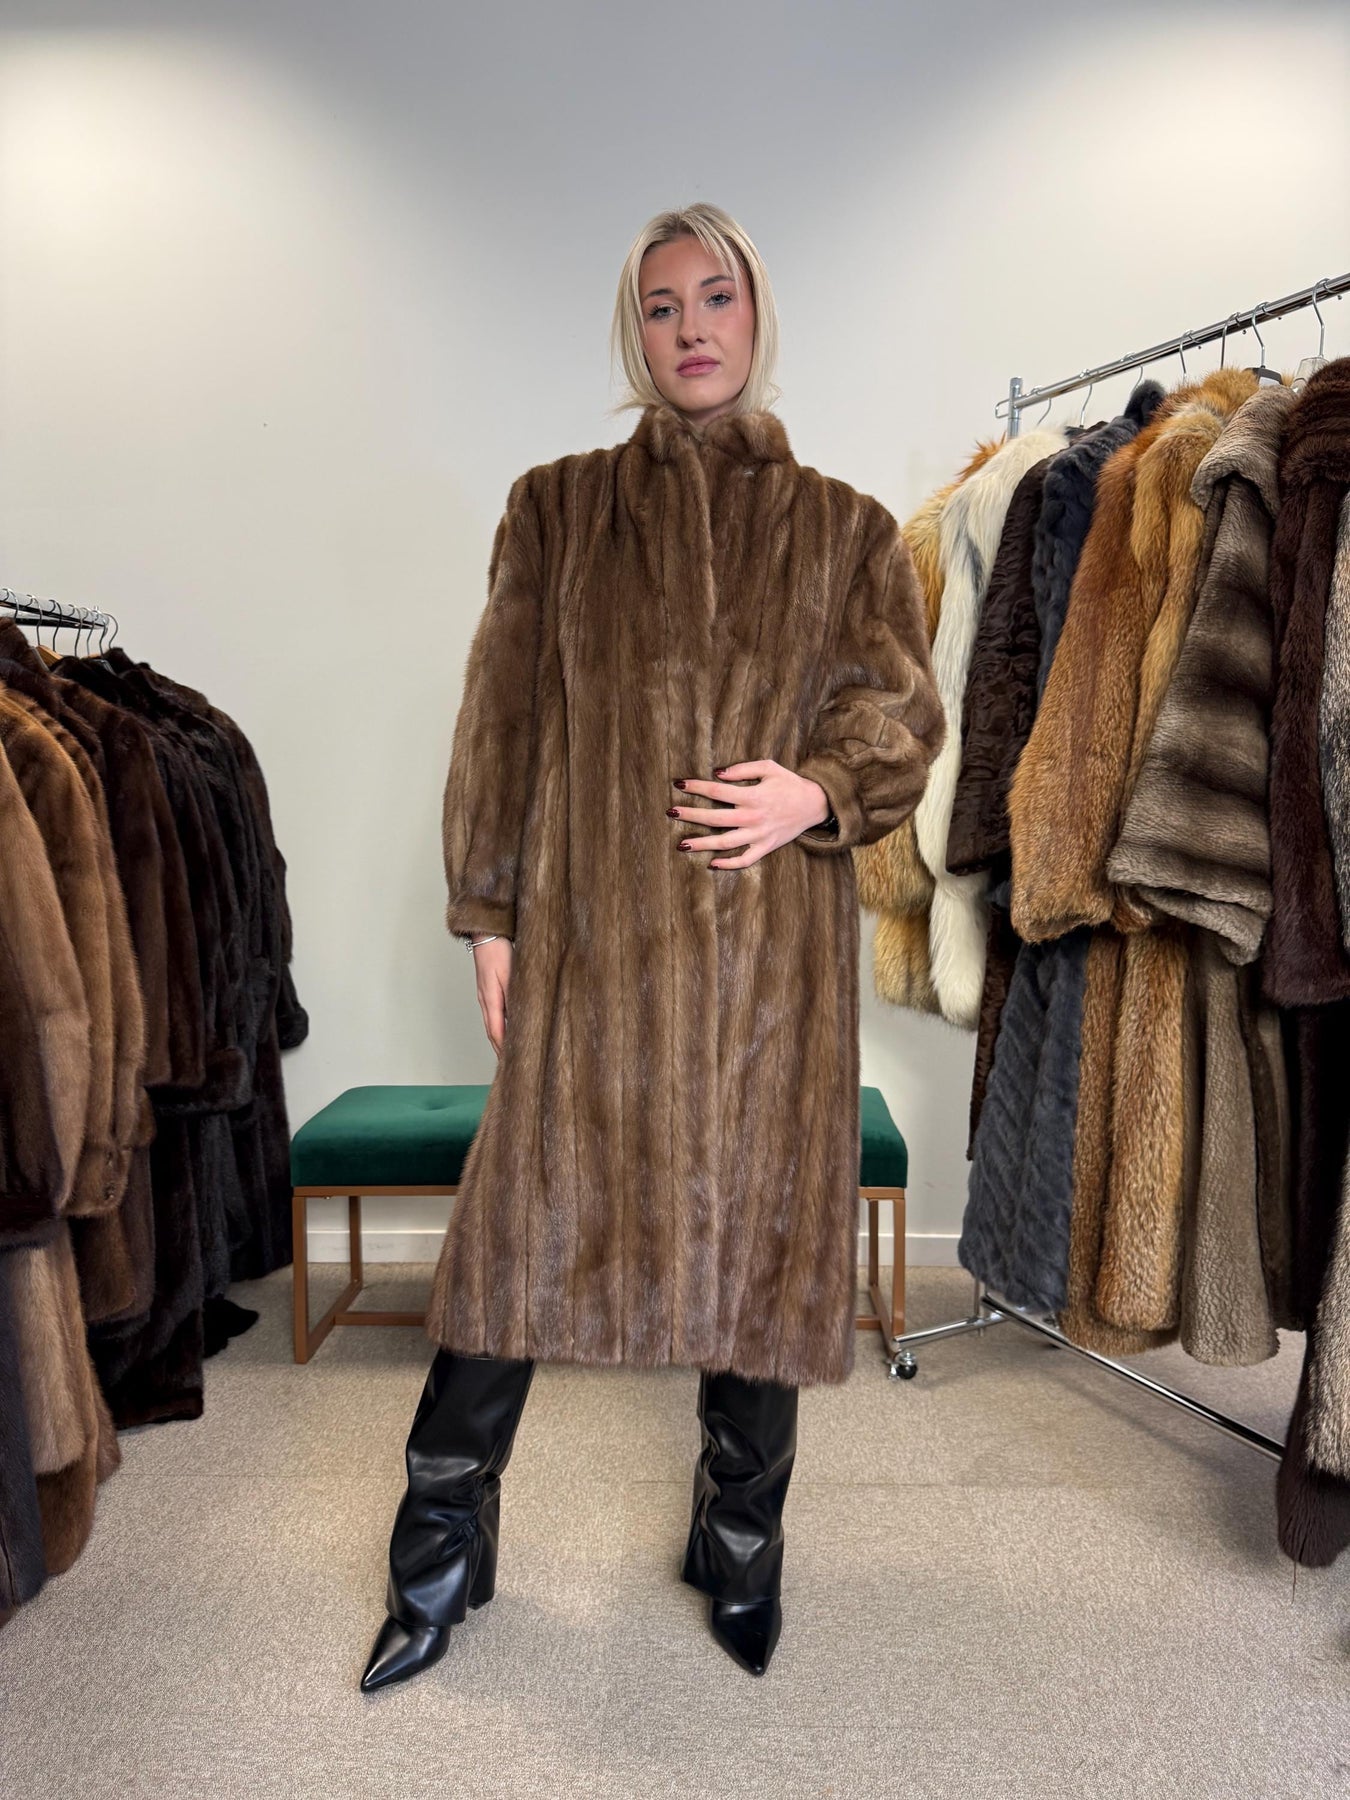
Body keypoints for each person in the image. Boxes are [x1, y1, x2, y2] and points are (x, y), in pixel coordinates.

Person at [361, 202, 945, 1693]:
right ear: (636, 331)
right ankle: (438, 1558)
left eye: (716, 297)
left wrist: (817, 790)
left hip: (769, 968)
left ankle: (740, 1546)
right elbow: (499, 725)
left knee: (760, 1249)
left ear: (756, 315)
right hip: (593, 953)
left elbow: (901, 715)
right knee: (516, 1244)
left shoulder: (846, 530)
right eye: (663, 304)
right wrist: (488, 916)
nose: (691, 328)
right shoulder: (554, 510)